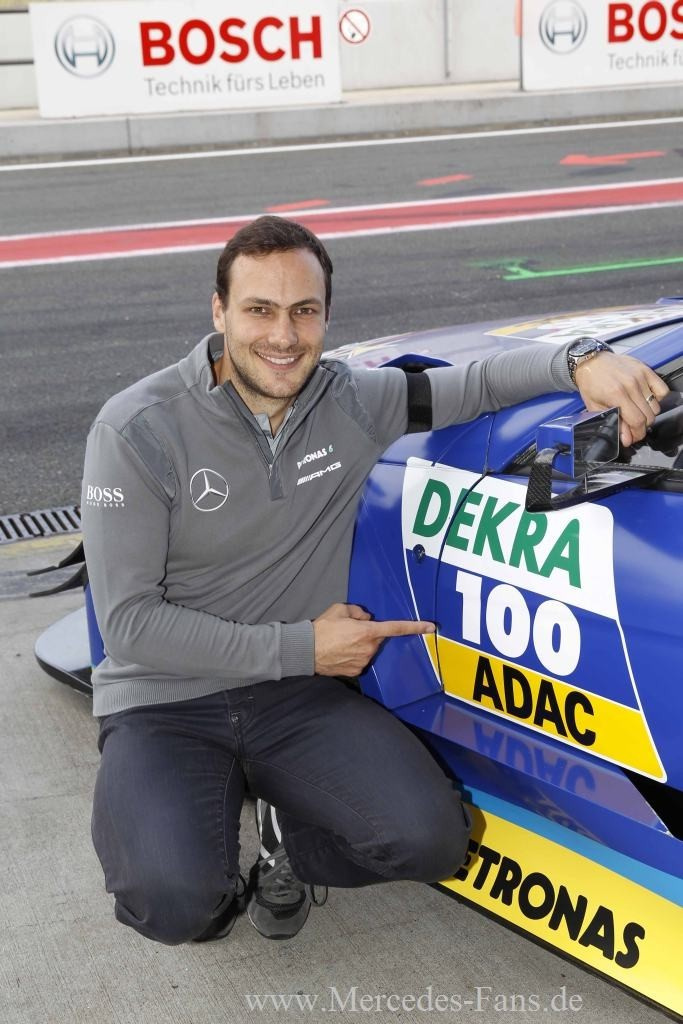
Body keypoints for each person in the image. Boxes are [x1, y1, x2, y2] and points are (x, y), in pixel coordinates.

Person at [82, 215, 668, 946]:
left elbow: (479, 383)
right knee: (175, 905)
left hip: (292, 697)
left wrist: (581, 359)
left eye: (304, 311)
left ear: (326, 315)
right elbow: (130, 625)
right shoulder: (136, 427)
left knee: (434, 840)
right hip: (167, 700)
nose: (284, 336)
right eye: (260, 309)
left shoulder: (350, 400)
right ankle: (200, 852)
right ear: (219, 311)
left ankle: (290, 844)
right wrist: (306, 647)